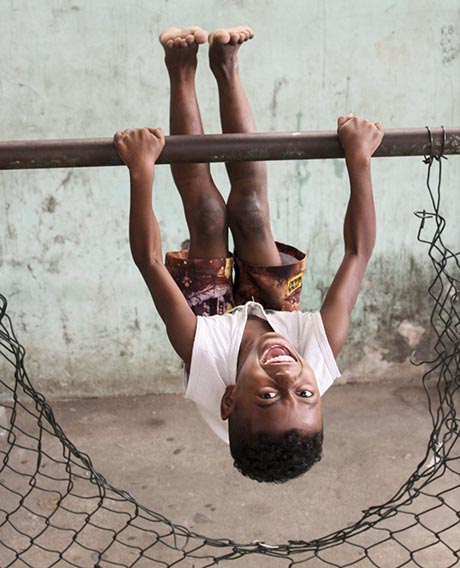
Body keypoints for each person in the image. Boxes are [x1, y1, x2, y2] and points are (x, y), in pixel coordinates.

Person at [113, 25, 384, 483]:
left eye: (267, 397)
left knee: (207, 215)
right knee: (252, 212)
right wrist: (360, 159)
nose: (286, 379)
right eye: (303, 393)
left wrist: (142, 170)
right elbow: (357, 253)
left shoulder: (205, 358)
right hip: (275, 315)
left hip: (219, 327)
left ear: (230, 397)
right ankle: (227, 65)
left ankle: (181, 70)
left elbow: (150, 262)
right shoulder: (316, 354)